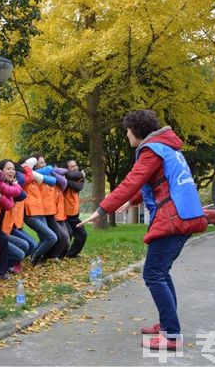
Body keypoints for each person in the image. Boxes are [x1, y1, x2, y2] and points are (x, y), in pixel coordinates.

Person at [79, 110, 207, 351]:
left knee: (154, 274)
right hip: (185, 213)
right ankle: (167, 324)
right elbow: (156, 179)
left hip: (174, 217)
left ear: (137, 132)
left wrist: (102, 209)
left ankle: (171, 335)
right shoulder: (166, 148)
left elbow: (131, 181)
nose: (127, 135)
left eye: (127, 131)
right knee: (161, 272)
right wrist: (134, 200)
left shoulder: (151, 150)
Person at [63, 160, 88, 258]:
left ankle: (70, 254)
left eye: (76, 165)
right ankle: (61, 255)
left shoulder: (79, 179)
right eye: (72, 167)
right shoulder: (64, 178)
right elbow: (69, 179)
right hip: (65, 214)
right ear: (67, 169)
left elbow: (77, 187)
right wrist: (80, 175)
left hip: (74, 214)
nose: (75, 168)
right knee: (67, 235)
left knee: (82, 235)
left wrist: (68, 179)